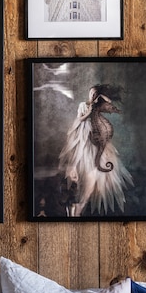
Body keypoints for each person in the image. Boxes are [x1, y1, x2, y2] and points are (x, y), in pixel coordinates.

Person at [58, 84, 133, 216]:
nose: (91, 96)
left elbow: (108, 103)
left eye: (94, 94)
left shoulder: (98, 105)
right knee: (80, 169)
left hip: (96, 137)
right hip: (83, 134)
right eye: (91, 93)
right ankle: (74, 208)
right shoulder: (83, 105)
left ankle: (80, 208)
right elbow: (79, 119)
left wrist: (101, 97)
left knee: (94, 178)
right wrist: (88, 111)